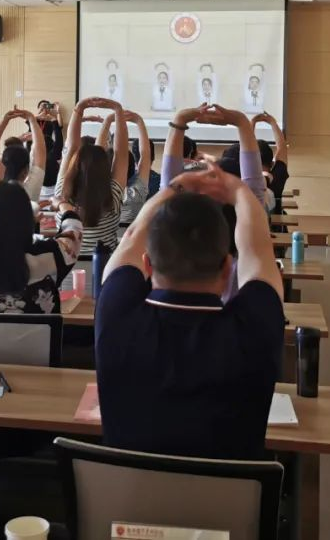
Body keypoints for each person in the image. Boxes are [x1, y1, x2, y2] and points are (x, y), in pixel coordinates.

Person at [95, 165, 283, 459]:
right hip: (227, 491)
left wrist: (176, 187)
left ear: (147, 264)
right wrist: (239, 190)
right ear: (227, 269)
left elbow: (132, 236)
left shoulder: (115, 314)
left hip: (123, 490)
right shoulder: (256, 326)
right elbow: (257, 249)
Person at [0, 181, 82, 314]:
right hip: (43, 329)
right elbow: (74, 233)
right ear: (27, 220)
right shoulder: (48, 256)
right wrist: (63, 205)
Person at [55, 97, 128, 254]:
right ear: (105, 168)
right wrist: (118, 109)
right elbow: (121, 154)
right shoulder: (113, 197)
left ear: (74, 166)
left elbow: (71, 146)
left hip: (66, 268)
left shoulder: (62, 194)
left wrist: (79, 108)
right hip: (103, 266)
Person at [98, 109, 151, 226]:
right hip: (132, 237)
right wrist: (139, 122)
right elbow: (145, 155)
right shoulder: (137, 191)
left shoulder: (97, 193)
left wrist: (107, 121)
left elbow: (96, 154)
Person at [0, 107, 46, 202]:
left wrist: (4, 121)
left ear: (2, 166)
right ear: (26, 171)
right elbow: (40, 150)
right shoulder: (30, 191)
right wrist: (32, 119)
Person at [253, 111, 289, 216]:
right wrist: (273, 122)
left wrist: (252, 122)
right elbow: (282, 147)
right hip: (275, 223)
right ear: (272, 163)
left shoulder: (246, 175)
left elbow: (246, 150)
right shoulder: (278, 173)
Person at [35, 100, 64, 195]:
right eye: (41, 106)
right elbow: (28, 120)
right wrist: (39, 115)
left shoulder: (50, 120)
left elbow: (60, 126)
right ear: (38, 108)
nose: (44, 108)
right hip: (35, 143)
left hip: (48, 144)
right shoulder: (35, 119)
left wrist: (58, 112)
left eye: (46, 106)